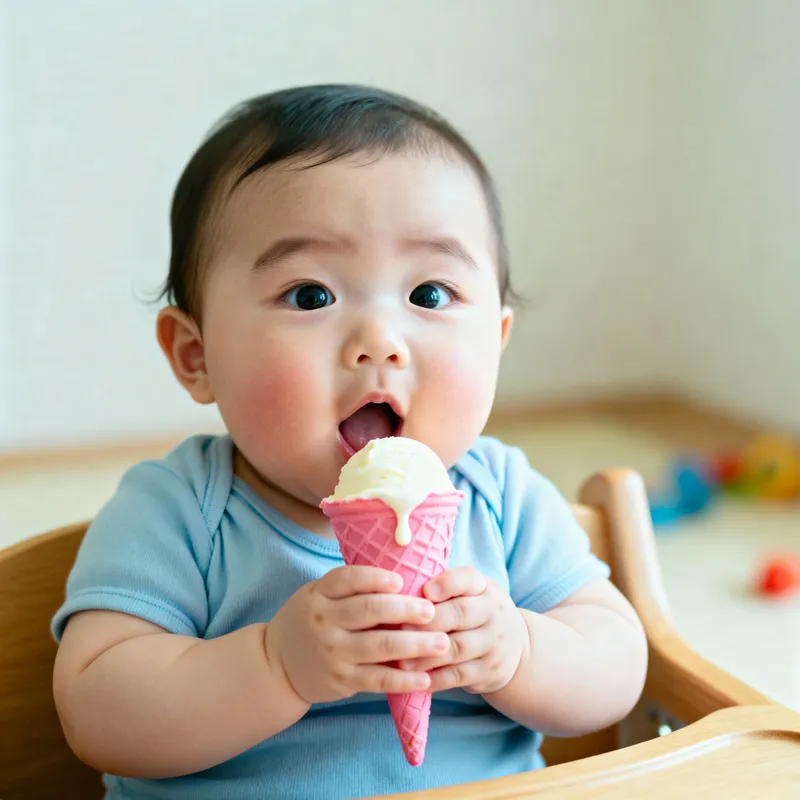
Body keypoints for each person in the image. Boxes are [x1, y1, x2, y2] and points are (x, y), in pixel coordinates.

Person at [52, 85, 648, 800]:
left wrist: (519, 651)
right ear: (196, 355)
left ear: (496, 342)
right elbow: (97, 711)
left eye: (429, 294)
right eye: (310, 295)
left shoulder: (503, 498)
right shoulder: (181, 510)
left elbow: (617, 664)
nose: (379, 344)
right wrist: (275, 665)